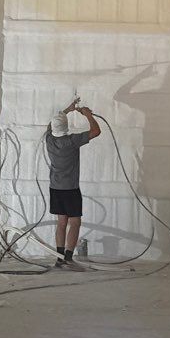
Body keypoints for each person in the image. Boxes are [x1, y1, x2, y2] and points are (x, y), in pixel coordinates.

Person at [44, 103, 101, 267]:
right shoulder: (72, 141)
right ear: (66, 127)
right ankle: (68, 257)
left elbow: (50, 126)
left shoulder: (49, 139)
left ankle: (59, 257)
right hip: (70, 189)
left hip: (55, 189)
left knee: (61, 222)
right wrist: (87, 115)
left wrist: (67, 110)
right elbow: (96, 131)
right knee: (74, 222)